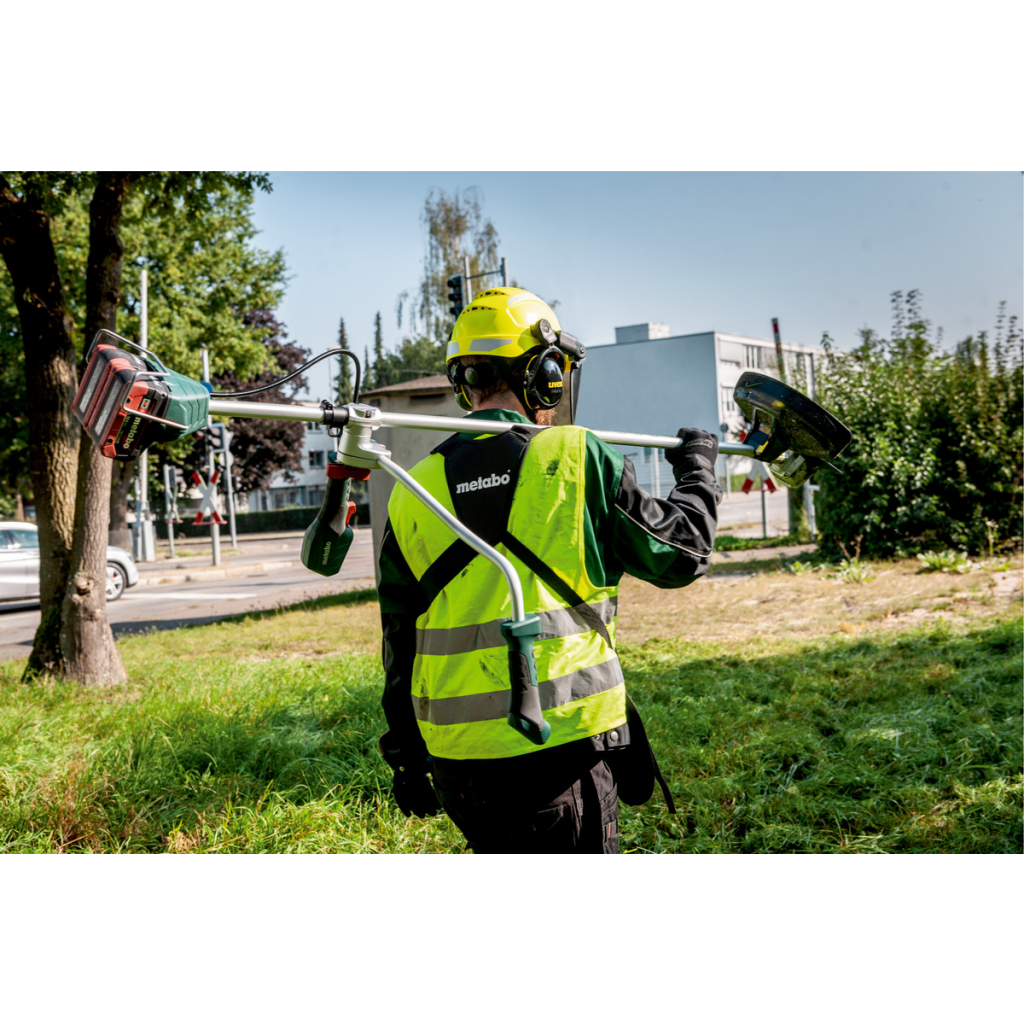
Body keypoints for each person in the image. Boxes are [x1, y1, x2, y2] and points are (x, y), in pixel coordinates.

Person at [376, 287, 721, 853]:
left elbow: (399, 642)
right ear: (545, 376)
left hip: (458, 767)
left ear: (464, 381)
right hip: (559, 755)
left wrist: (407, 760)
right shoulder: (578, 457)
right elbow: (683, 554)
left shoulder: (413, 489)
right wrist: (698, 471)